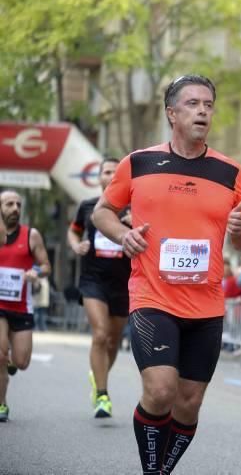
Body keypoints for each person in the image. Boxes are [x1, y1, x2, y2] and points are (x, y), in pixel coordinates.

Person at [92, 74, 241, 474]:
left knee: (188, 403)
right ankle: (153, 471)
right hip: (153, 297)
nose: (203, 111)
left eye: (208, 104)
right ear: (172, 113)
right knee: (160, 390)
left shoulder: (232, 173)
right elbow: (103, 212)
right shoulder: (138, 163)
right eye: (192, 104)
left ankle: (162, 469)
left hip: (206, 306)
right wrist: (124, 234)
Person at [67, 157, 133, 418]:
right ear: (99, 177)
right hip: (93, 279)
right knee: (101, 334)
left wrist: (135, 221)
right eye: (106, 171)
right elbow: (73, 231)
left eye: (116, 172)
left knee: (114, 340)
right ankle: (103, 395)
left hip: (124, 281)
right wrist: (75, 245)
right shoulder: (88, 206)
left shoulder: (133, 207)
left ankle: (99, 377)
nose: (110, 175)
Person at [0, 190, 52, 422]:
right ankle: (1, 404)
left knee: (21, 362)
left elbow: (46, 266)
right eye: (9, 204)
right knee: (0, 355)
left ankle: (10, 362)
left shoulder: (31, 235)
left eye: (18, 204)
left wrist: (36, 272)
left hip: (21, 306)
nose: (15, 209)